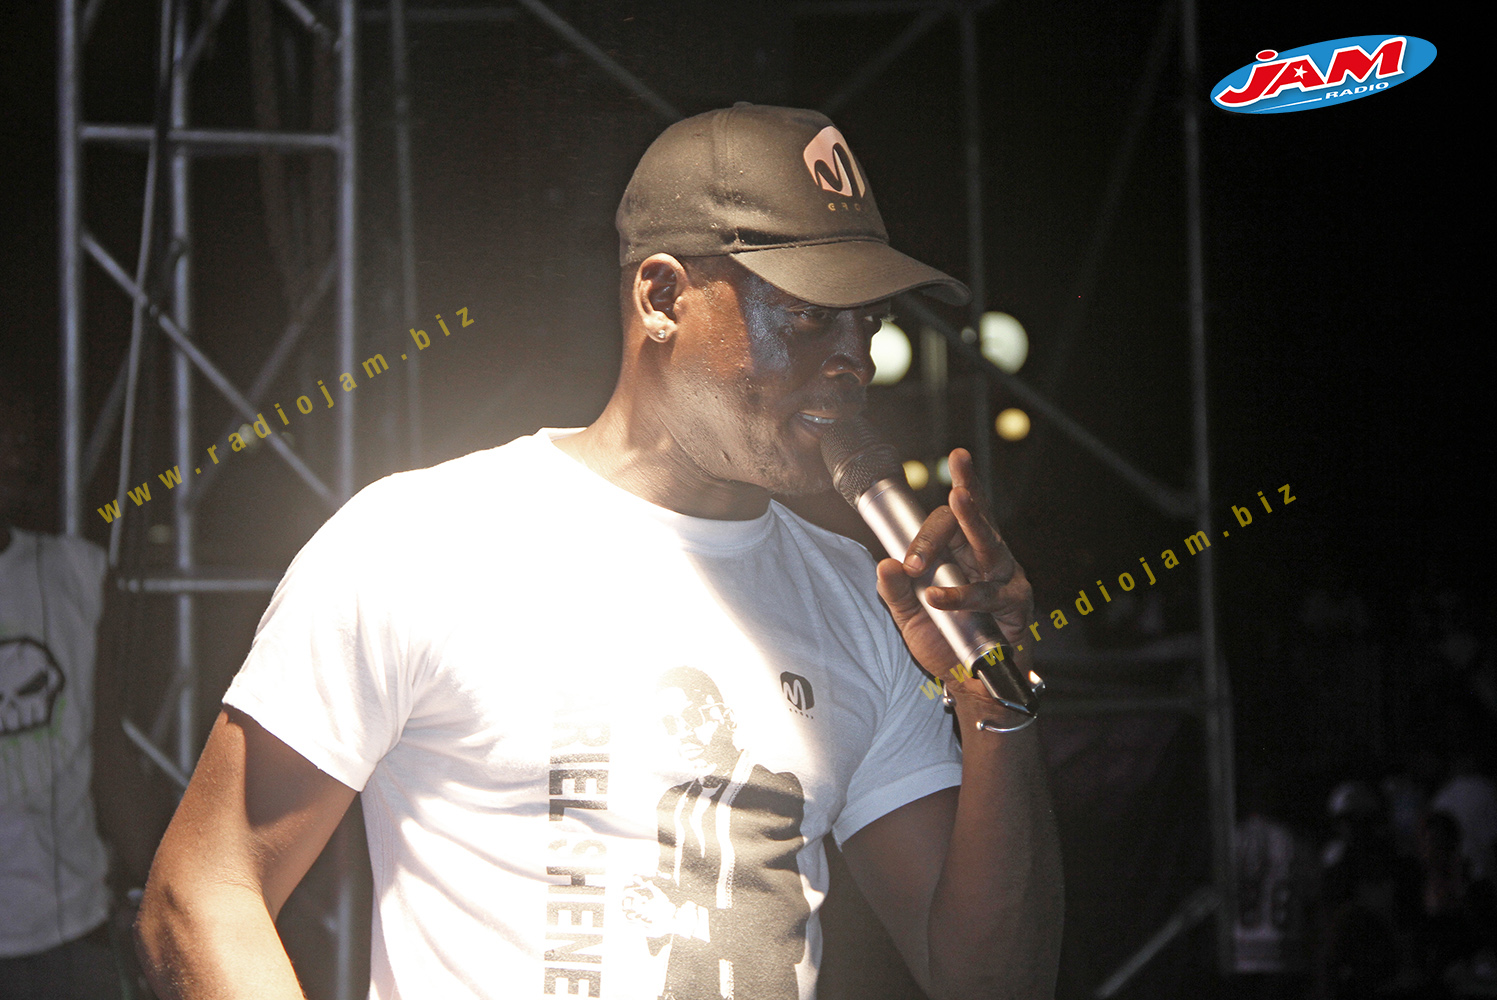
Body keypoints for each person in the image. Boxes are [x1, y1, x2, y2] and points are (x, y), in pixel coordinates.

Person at [136, 103, 1064, 1000]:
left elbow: (990, 982)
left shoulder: (860, 602)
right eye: (809, 315)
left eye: (869, 321)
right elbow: (203, 892)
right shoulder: (422, 541)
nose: (854, 358)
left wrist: (994, 701)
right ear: (661, 296)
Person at [1, 375, 153, 999]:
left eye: (28, 437)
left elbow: (106, 749)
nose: (21, 452)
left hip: (70, 934)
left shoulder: (77, 574)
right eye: (4, 434)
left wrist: (159, 888)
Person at [623, 667, 809, 1000]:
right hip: (684, 986)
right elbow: (674, 891)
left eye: (692, 717)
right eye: (671, 724)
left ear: (727, 718)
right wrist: (649, 902)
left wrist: (676, 917)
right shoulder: (673, 801)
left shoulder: (774, 790)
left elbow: (781, 920)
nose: (684, 734)